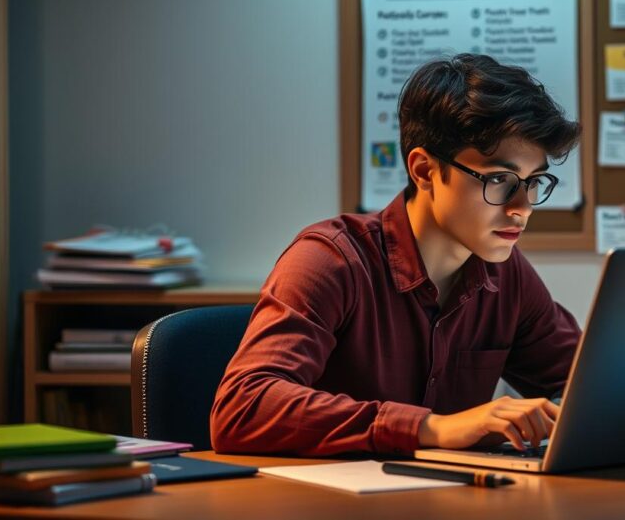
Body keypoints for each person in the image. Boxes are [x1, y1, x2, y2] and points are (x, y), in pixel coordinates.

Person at [210, 54, 583, 457]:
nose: (522, 207)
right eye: (499, 180)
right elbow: (242, 408)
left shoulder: (506, 274)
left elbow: (590, 383)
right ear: (424, 171)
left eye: (534, 182)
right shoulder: (330, 260)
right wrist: (432, 428)